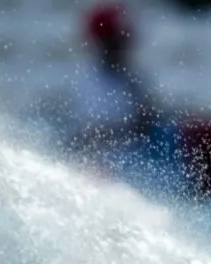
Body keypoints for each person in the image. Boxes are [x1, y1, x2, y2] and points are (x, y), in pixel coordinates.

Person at [68, 4, 164, 175]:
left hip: (139, 163)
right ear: (101, 44)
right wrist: (137, 127)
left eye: (123, 41)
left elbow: (150, 119)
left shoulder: (133, 77)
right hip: (104, 169)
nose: (123, 48)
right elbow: (92, 136)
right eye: (116, 42)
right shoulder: (89, 82)